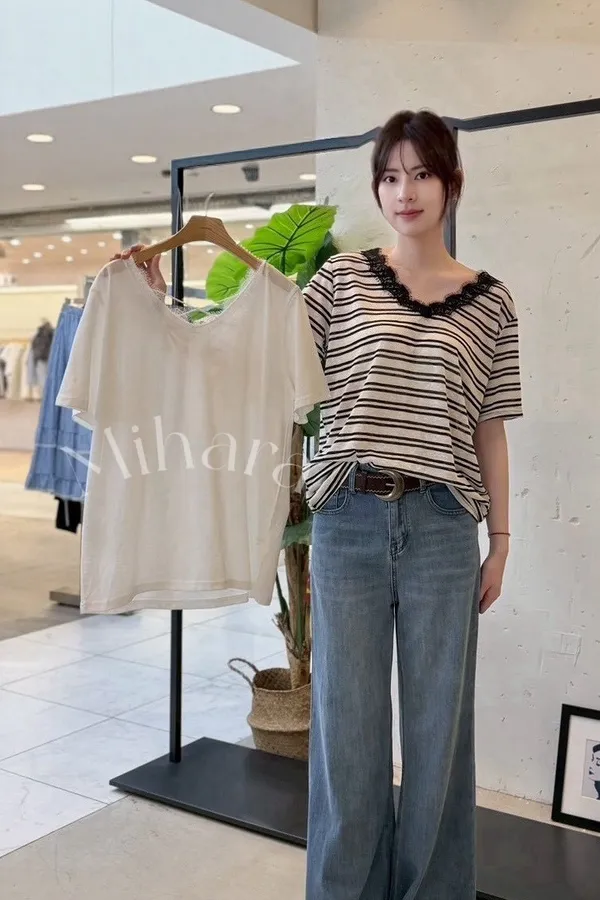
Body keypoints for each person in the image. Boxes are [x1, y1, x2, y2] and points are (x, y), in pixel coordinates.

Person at [113, 107, 523, 900]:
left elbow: (490, 427)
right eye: (390, 176)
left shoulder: (492, 303)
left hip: (444, 526)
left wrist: (501, 540)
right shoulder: (341, 282)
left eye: (422, 173)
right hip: (349, 524)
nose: (405, 191)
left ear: (453, 182)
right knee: (347, 732)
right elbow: (256, 359)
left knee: (439, 731)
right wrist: (160, 308)